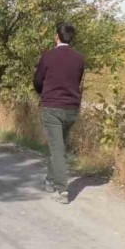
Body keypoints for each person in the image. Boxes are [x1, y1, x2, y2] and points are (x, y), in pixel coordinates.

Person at [33, 23, 86, 204]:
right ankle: (50, 180)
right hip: (71, 108)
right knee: (59, 145)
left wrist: (43, 91)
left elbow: (38, 81)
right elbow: (77, 81)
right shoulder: (80, 59)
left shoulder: (48, 57)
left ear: (57, 36)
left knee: (57, 148)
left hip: (52, 107)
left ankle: (62, 190)